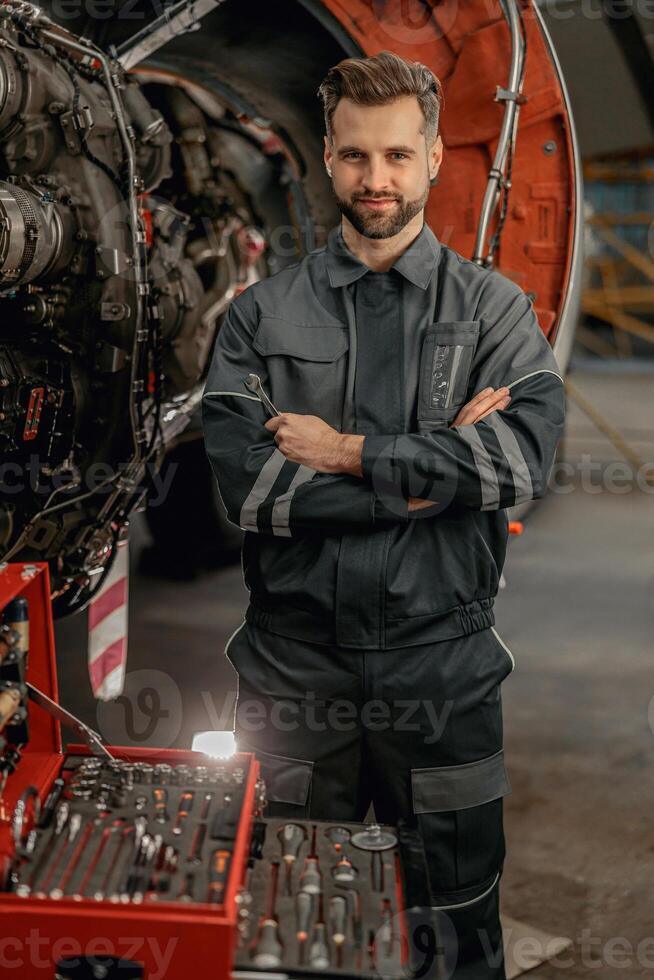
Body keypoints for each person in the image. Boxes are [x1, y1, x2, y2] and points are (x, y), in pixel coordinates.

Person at [202, 50, 565, 979]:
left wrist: (348, 452)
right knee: (282, 929)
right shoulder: (258, 317)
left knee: (456, 929)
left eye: (399, 156)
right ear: (326, 154)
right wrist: (440, 466)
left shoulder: (493, 312)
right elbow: (248, 491)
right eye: (357, 155)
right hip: (294, 675)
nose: (377, 179)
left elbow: (520, 460)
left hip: (440, 676)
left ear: (437, 157)